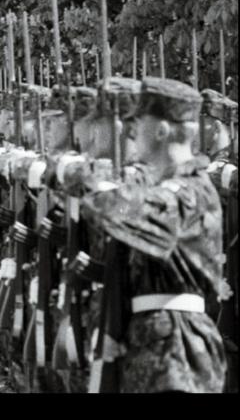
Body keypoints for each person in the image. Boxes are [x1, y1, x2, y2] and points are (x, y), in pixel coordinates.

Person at [81, 77, 226, 393]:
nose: (129, 130)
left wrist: (82, 176)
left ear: (161, 131)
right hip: (149, 342)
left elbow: (111, 207)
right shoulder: (158, 190)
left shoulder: (191, 192)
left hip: (179, 350)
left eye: (138, 121)